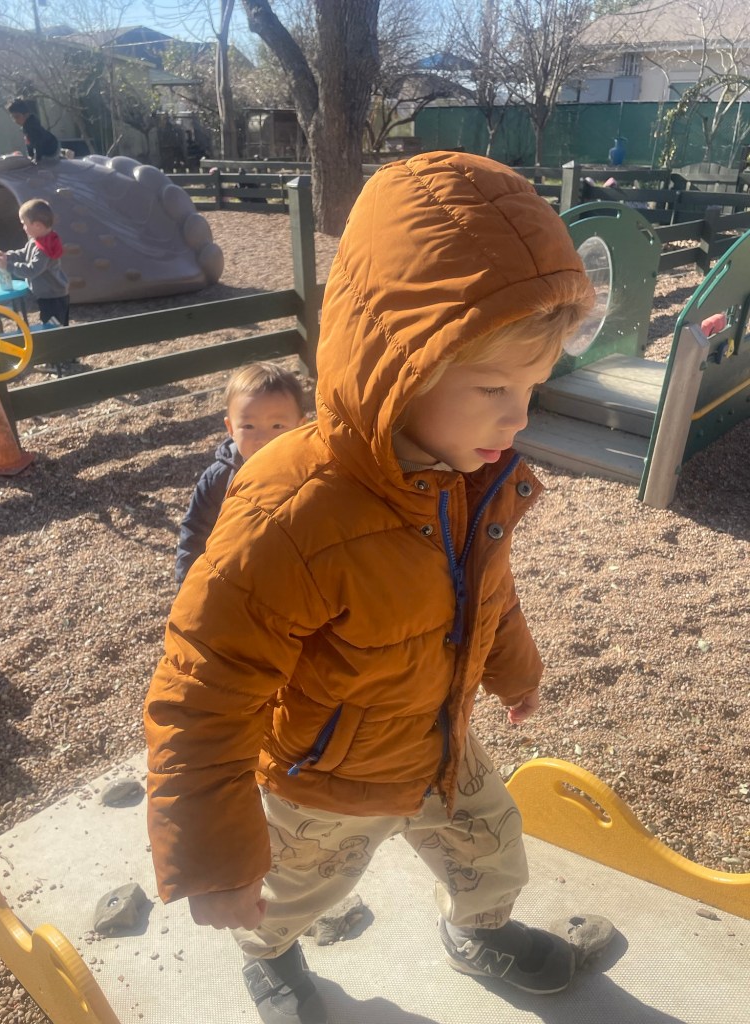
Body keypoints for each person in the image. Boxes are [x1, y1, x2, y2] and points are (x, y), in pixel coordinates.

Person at [145, 151, 596, 1024]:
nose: (517, 419)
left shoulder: (471, 472)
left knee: (492, 849)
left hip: (439, 737)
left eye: (532, 389)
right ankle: (269, 956)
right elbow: (204, 681)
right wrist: (213, 858)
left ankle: (478, 929)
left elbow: (486, 589)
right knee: (291, 892)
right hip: (327, 778)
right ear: (400, 367)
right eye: (493, 387)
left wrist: (516, 670)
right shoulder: (294, 510)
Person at [174, 361, 306, 587]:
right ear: (231, 428)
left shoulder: (308, 475)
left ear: (300, 426)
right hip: (234, 582)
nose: (262, 439)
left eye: (277, 426)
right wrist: (188, 586)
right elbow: (195, 534)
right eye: (249, 426)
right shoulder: (219, 479)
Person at [0, 198, 72, 377]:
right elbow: (23, 253)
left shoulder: (44, 248)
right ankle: (66, 357)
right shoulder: (37, 240)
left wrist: (9, 266)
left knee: (52, 327)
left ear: (37, 225)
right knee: (57, 325)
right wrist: (8, 256)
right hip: (51, 293)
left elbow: (32, 270)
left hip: (53, 295)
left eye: (24, 223)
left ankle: (57, 362)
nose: (23, 227)